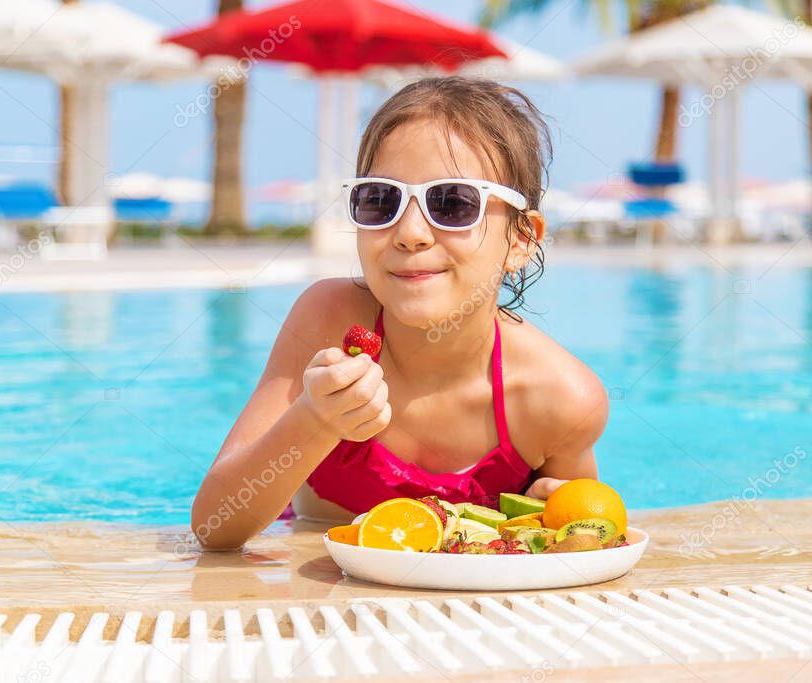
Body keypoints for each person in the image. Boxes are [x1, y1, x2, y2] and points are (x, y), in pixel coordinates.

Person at [192, 77, 609, 549]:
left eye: (452, 203)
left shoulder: (558, 400)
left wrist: (554, 519)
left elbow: (592, 539)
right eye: (380, 200)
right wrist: (314, 420)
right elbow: (214, 528)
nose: (410, 233)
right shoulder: (326, 321)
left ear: (521, 240)